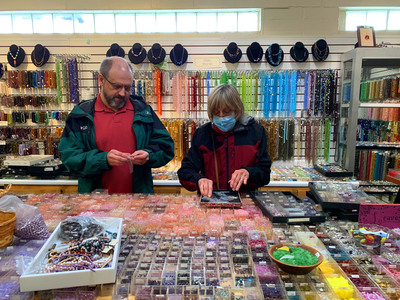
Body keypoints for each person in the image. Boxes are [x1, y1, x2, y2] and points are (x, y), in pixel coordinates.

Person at [59, 56, 174, 194]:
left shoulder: (144, 112)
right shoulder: (81, 116)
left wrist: (148, 155)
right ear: (101, 80)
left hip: (139, 204)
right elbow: (69, 157)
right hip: (95, 206)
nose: (122, 93)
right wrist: (103, 159)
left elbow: (166, 147)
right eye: (117, 86)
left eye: (127, 87)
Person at [178, 84, 271, 197]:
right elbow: (185, 171)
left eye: (226, 112)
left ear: (236, 110)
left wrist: (248, 173)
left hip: (245, 203)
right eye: (217, 113)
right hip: (211, 201)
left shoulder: (255, 132)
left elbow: (265, 174)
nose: (221, 117)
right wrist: (199, 180)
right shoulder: (202, 134)